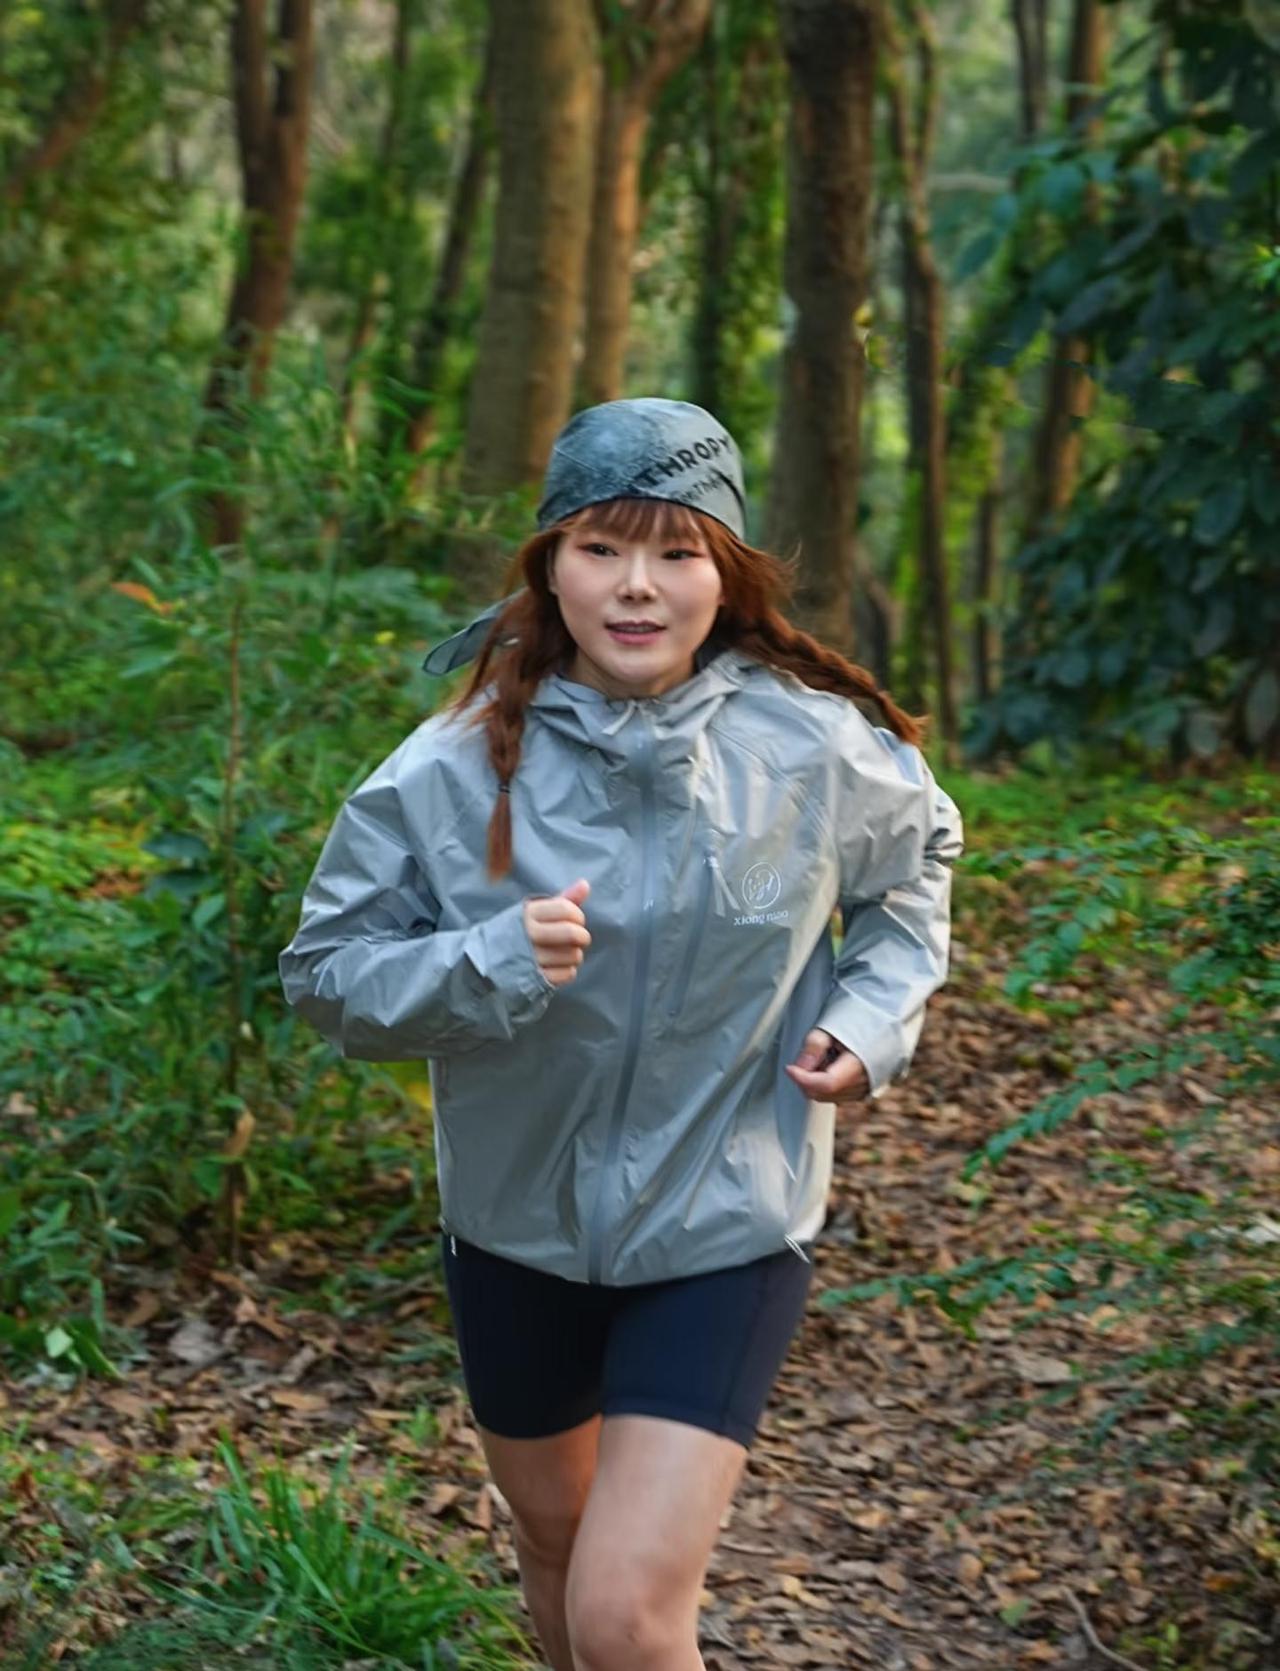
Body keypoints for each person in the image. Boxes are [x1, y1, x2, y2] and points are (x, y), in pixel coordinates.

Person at [278, 397, 963, 1671]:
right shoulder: (445, 771)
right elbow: (325, 976)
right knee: (553, 1549)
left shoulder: (815, 750)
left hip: (725, 1225)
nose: (636, 587)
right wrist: (486, 960)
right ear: (549, 564)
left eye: (675, 552)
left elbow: (913, 874)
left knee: (624, 1614)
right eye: (600, 549)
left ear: (727, 573)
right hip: (513, 1231)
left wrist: (870, 1021)